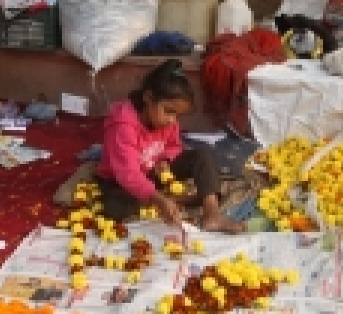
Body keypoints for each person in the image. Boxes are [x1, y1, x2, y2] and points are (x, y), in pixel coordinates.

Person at [96, 58, 244, 234]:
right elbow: (128, 175)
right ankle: (171, 199)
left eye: (177, 116)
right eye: (168, 111)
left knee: (201, 156)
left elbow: (174, 146)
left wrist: (166, 159)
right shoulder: (123, 126)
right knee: (116, 209)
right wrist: (158, 199)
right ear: (148, 98)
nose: (172, 120)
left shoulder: (169, 122)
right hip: (120, 180)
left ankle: (212, 213)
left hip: (154, 171)